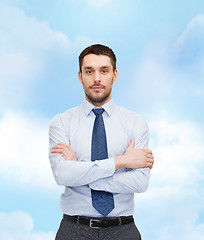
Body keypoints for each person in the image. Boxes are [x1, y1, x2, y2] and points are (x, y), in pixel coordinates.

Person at [49, 44, 154, 240]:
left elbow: (140, 182)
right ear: (80, 76)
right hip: (73, 230)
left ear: (114, 75)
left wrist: (80, 171)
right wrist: (121, 162)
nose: (97, 78)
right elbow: (62, 175)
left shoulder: (135, 122)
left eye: (103, 71)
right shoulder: (61, 122)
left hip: (124, 230)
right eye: (89, 71)